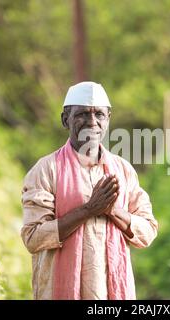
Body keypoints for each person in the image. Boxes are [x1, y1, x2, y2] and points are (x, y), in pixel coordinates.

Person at [20, 81, 158, 300]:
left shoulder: (123, 170)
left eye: (99, 115)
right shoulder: (46, 170)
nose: (92, 122)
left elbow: (148, 231)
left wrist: (113, 211)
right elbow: (33, 237)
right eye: (82, 114)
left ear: (108, 119)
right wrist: (88, 210)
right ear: (65, 120)